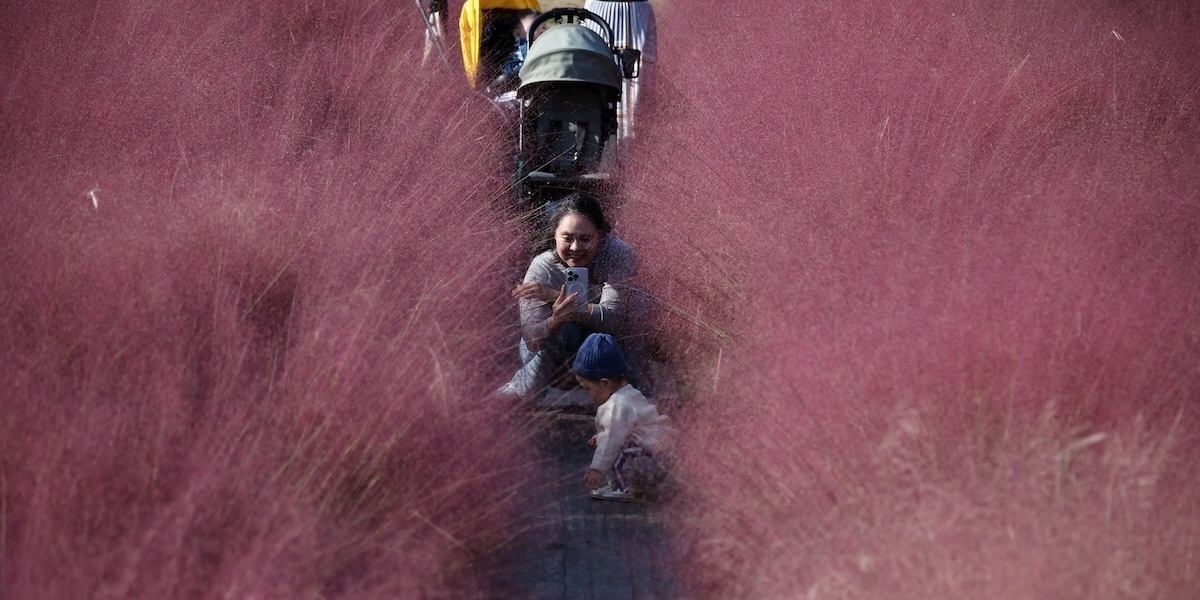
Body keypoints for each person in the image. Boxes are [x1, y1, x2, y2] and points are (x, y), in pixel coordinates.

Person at [501, 192, 635, 403]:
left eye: (585, 239)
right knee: (562, 324)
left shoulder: (617, 253)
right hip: (553, 360)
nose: (575, 248)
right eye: (568, 238)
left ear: (600, 235)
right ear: (555, 235)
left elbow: (611, 318)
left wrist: (555, 296)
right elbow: (532, 339)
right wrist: (555, 321)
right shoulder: (542, 267)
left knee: (640, 302)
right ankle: (524, 391)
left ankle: (632, 387)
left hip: (605, 351)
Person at [573, 333, 671, 501]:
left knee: (616, 446)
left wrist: (597, 469)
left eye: (588, 388)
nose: (587, 394)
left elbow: (612, 438)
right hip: (660, 455)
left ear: (605, 383)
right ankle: (630, 485)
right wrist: (601, 436)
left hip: (649, 462)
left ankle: (623, 487)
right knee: (620, 443)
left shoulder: (616, 404)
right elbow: (628, 426)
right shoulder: (630, 393)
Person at [583, 0, 656, 139]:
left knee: (638, 81)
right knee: (600, 75)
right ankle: (603, 145)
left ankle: (635, 150)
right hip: (605, 8)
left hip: (636, 10)